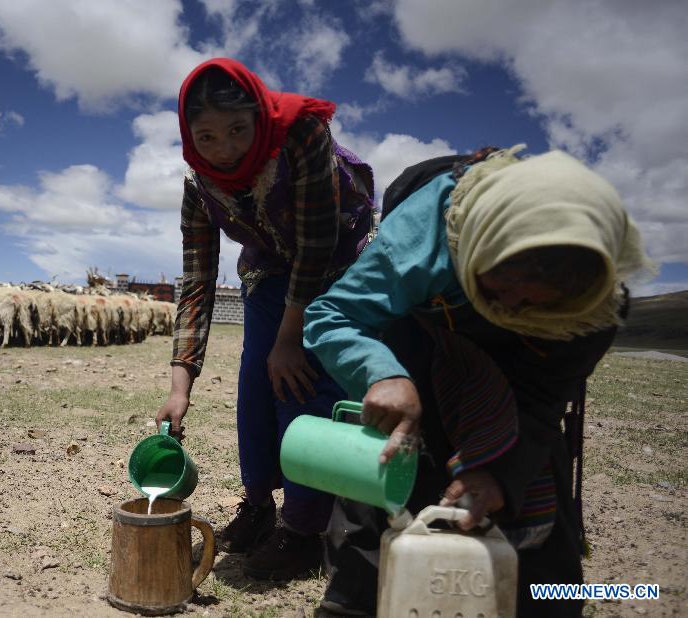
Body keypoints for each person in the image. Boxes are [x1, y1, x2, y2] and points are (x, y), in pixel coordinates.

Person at [302, 146, 654, 616]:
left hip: (520, 373)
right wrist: (381, 372)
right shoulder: (430, 236)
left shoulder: (592, 309)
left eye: (536, 304)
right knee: (391, 469)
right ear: (475, 252)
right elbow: (333, 315)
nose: (510, 310)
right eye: (501, 288)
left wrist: (498, 474)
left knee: (536, 524)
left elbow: (543, 401)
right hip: (418, 339)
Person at [155, 57, 377, 581]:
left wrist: (291, 338)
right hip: (268, 266)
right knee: (255, 382)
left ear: (259, 119)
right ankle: (257, 506)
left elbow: (318, 242)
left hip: (336, 259)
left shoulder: (302, 135)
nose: (224, 149)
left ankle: (304, 530)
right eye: (205, 136)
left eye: (237, 130)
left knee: (300, 383)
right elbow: (196, 281)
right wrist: (179, 385)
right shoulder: (199, 185)